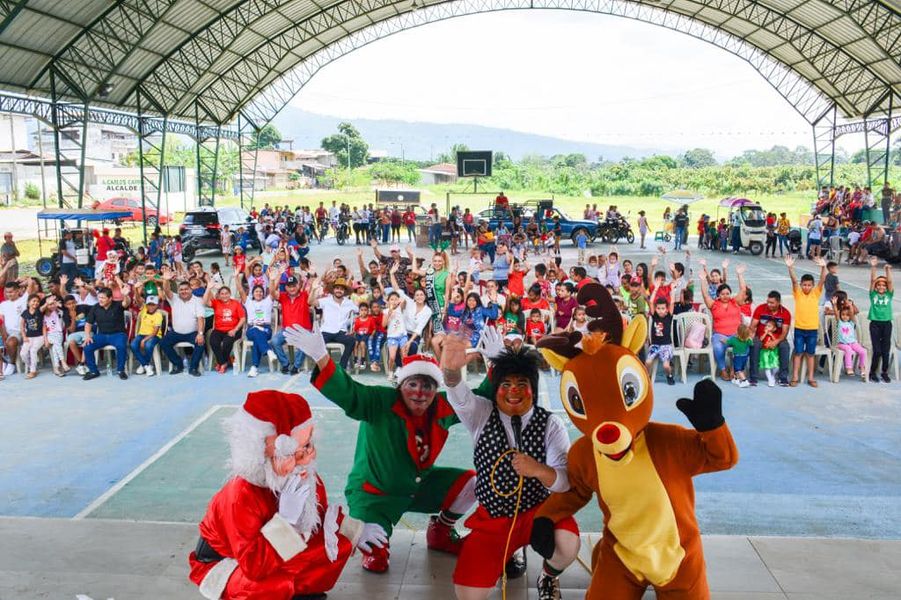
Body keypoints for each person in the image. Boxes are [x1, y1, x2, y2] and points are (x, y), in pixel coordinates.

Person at [284, 326, 492, 574]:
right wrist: (322, 356)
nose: (419, 393)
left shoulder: (442, 406)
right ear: (400, 385)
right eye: (412, 384)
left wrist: (497, 363)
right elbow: (350, 393)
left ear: (436, 390)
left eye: (427, 386)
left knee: (474, 483)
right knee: (377, 559)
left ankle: (441, 531)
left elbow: (479, 401)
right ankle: (372, 533)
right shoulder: (380, 401)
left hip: (419, 487)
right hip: (375, 495)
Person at [188, 389, 376, 600]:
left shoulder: (305, 475)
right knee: (271, 585)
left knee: (338, 544)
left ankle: (298, 590)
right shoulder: (240, 495)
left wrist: (355, 530)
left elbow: (319, 518)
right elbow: (254, 566)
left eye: (306, 446)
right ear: (259, 455)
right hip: (229, 562)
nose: (304, 459)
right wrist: (285, 522)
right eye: (289, 454)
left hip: (269, 554)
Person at [441, 335, 580, 600]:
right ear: (496, 389)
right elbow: (459, 397)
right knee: (468, 594)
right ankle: (505, 552)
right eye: (506, 384)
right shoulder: (481, 413)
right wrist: (450, 371)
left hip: (536, 512)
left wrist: (539, 470)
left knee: (568, 544)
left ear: (533, 390)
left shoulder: (550, 424)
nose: (513, 391)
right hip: (492, 518)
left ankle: (548, 576)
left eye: (521, 384)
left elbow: (565, 482)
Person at [698, 260, 748, 381]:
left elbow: (743, 290)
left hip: (736, 335)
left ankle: (735, 369)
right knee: (717, 347)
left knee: (744, 346)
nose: (725, 296)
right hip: (719, 335)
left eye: (727, 293)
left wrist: (740, 274)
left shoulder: (735, 302)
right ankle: (723, 369)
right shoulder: (713, 304)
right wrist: (703, 280)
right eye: (723, 294)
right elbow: (705, 295)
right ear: (718, 295)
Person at [785, 255, 827, 387]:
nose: (806, 287)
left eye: (809, 285)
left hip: (812, 330)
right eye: (804, 285)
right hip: (799, 329)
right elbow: (793, 281)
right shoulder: (798, 293)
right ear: (801, 285)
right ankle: (795, 376)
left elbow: (822, 280)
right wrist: (790, 267)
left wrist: (823, 267)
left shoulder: (816, 293)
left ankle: (811, 377)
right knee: (798, 353)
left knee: (810, 354)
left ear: (813, 286)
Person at [82, 286, 132, 380]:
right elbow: (88, 324)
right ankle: (93, 371)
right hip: (102, 335)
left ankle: (121, 370)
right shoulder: (95, 307)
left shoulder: (117, 305)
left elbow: (126, 303)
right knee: (87, 347)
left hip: (118, 334)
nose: (100, 300)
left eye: (103, 298)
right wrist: (87, 336)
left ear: (110, 298)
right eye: (99, 297)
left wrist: (125, 295)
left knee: (121, 346)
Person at [236, 271, 277, 378]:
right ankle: (268, 350)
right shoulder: (249, 302)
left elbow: (273, 291)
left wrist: (272, 279)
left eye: (260, 292)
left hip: (266, 328)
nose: (258, 293)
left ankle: (254, 367)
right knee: (255, 331)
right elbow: (240, 290)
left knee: (256, 340)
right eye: (256, 291)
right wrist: (236, 277)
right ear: (253, 293)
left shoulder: (268, 301)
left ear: (263, 293)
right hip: (251, 328)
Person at [310, 277, 357, 369]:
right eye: (337, 288)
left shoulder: (350, 303)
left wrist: (354, 327)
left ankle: (342, 367)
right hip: (326, 331)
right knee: (317, 344)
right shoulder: (326, 300)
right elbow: (310, 301)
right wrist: (314, 289)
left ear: (344, 291)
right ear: (333, 290)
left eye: (341, 289)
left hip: (341, 332)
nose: (339, 290)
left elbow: (362, 312)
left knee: (352, 341)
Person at [748, 290, 792, 386]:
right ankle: (753, 377)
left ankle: (783, 378)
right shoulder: (760, 308)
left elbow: (784, 332)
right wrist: (752, 337)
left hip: (778, 338)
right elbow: (752, 326)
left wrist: (775, 341)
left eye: (772, 303)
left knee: (785, 346)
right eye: (768, 302)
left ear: (779, 302)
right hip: (761, 336)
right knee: (754, 344)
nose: (769, 304)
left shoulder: (785, 313)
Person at [204, 281, 246, 374]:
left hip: (234, 329)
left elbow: (243, 319)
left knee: (227, 342)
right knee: (213, 342)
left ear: (230, 294)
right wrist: (208, 288)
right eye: (222, 294)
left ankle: (221, 363)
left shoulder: (236, 303)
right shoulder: (216, 303)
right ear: (219, 295)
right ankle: (223, 362)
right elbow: (205, 301)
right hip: (219, 330)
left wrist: (235, 330)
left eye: (226, 293)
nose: (224, 295)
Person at [867, 256, 894, 383]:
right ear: (876, 287)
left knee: (885, 351)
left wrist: (887, 270)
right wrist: (873, 267)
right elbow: (872, 280)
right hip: (875, 324)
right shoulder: (873, 295)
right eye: (879, 285)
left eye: (884, 285)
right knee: (877, 350)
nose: (882, 286)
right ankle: (872, 372)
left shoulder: (889, 294)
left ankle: (884, 372)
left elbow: (890, 282)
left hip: (887, 324)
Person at [130, 295, 164, 377]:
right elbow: (138, 299)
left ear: (157, 305)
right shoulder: (144, 310)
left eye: (153, 305)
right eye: (149, 304)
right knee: (133, 345)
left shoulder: (158, 315)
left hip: (154, 336)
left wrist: (144, 340)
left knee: (148, 345)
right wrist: (136, 290)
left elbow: (155, 332)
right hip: (141, 334)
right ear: (146, 305)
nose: (151, 307)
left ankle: (144, 364)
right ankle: (146, 365)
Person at [835, 305, 868, 381]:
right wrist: (834, 305)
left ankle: (861, 366)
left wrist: (850, 305)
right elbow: (836, 314)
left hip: (852, 343)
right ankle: (849, 367)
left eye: (847, 315)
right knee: (848, 349)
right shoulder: (840, 323)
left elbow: (852, 314)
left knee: (863, 351)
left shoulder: (851, 323)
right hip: (842, 344)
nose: (845, 317)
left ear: (850, 316)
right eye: (843, 314)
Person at [19, 293, 43, 379]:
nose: (36, 303)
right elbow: (21, 325)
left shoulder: (39, 311)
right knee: (23, 353)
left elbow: (44, 307)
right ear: (28, 302)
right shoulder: (25, 313)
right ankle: (32, 366)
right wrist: (24, 336)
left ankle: (33, 371)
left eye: (37, 301)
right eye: (34, 301)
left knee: (33, 350)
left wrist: (48, 302)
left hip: (40, 336)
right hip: (29, 337)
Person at [758, 320, 781, 387]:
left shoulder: (775, 334)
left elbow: (776, 341)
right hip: (765, 352)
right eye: (766, 326)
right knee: (767, 366)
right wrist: (765, 333)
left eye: (769, 326)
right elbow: (761, 339)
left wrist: (771, 335)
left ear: (774, 329)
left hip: (773, 352)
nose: (766, 327)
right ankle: (770, 380)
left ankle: (772, 375)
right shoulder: (763, 334)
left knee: (776, 366)